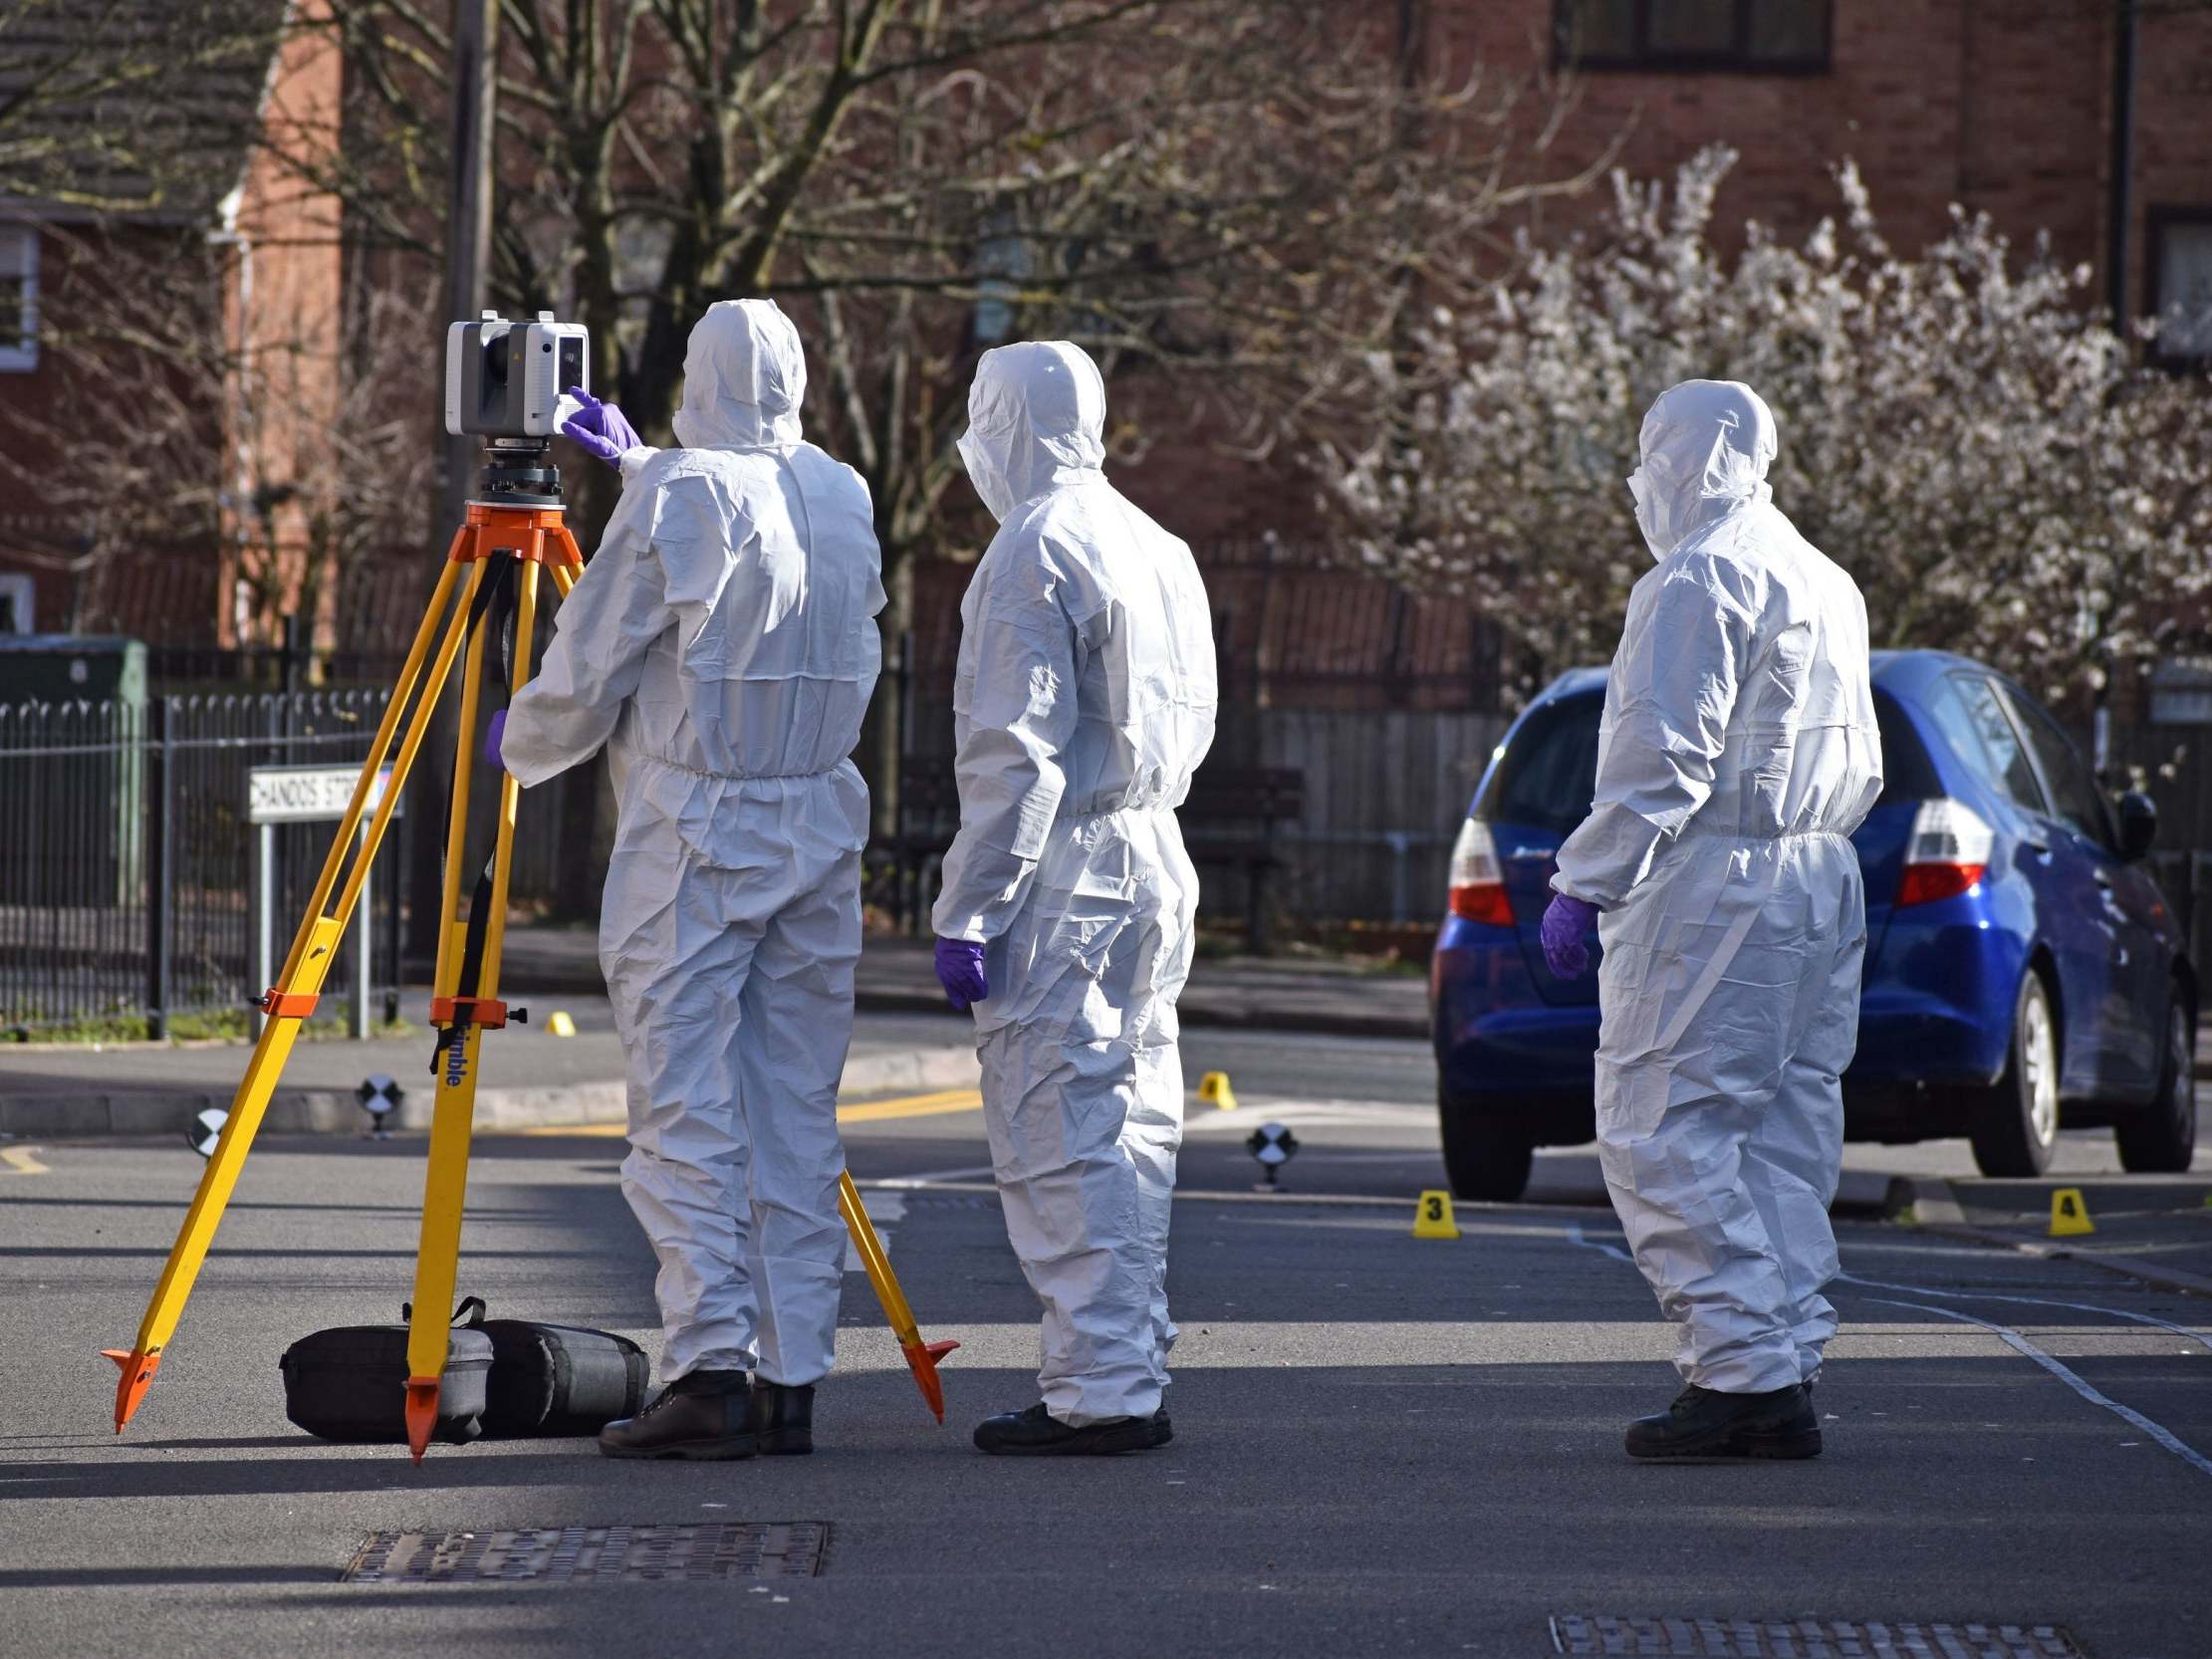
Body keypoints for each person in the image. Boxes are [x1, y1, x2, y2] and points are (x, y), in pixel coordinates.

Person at [492, 299, 885, 1461]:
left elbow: (596, 654)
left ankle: (708, 1365)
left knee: (684, 1106)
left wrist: (523, 741)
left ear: (696, 378)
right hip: (817, 822)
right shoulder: (841, 489)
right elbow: (755, 527)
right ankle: (789, 1376)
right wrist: (652, 466)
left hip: (696, 830)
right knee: (793, 1110)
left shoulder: (676, 495)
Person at [1540, 379, 1881, 1462]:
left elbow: (1662, 759)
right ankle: (1779, 1352)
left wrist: (1584, 879)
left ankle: (1741, 1374)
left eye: (1650, 457)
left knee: (1664, 1124)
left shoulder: (1695, 580)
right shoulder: (1823, 577)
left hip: (1716, 880)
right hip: (1819, 874)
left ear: (1682, 458)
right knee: (1782, 1130)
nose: (1641, 483)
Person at [931, 340, 1218, 1456]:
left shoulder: (1031, 550)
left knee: (1059, 1125)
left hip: (1068, 878)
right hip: (1152, 851)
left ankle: (1098, 1387)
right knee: (1134, 1123)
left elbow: (1017, 755)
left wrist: (971, 905)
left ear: (1003, 421)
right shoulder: (1156, 542)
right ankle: (1123, 1363)